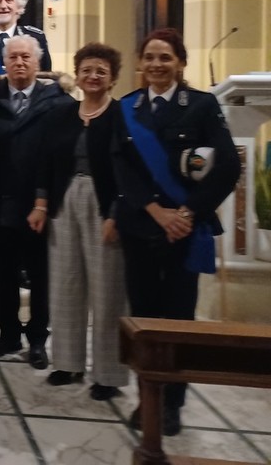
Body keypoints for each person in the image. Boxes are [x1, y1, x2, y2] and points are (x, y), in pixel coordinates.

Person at [112, 27, 240, 436]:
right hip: (141, 228)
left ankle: (172, 404)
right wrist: (155, 211)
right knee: (144, 318)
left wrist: (185, 213)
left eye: (165, 57)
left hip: (184, 231)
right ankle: (148, 396)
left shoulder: (201, 105)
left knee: (179, 318)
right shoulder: (126, 107)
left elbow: (227, 166)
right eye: (149, 57)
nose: (156, 64)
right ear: (139, 62)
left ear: (181, 63)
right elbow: (120, 168)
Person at [33, 43, 128, 401]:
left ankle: (108, 373)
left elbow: (128, 171)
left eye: (101, 71)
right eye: (86, 70)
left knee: (107, 291)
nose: (92, 76)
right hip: (64, 202)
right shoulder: (61, 114)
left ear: (113, 79)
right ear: (77, 74)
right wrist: (41, 205)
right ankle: (67, 363)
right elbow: (45, 162)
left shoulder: (121, 116)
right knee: (65, 283)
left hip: (104, 206)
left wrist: (115, 214)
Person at [0, 35, 71, 369]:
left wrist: (48, 201)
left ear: (37, 62)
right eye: (13, 57)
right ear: (4, 63)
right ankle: (8, 335)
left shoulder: (58, 102)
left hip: (39, 206)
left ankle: (37, 338)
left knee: (40, 276)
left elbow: (62, 156)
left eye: (25, 57)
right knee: (3, 275)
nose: (19, 62)